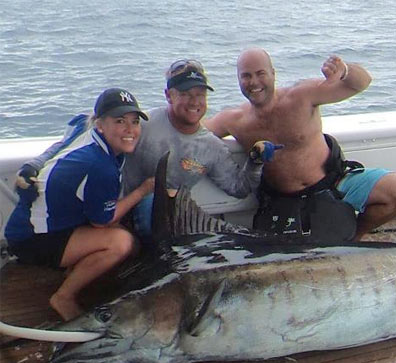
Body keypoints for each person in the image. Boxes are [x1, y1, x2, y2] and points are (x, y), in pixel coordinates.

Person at [17, 59, 265, 239]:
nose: (194, 102)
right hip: (115, 212)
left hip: (169, 222)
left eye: (200, 94)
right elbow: (81, 128)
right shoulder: (140, 122)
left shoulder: (211, 146)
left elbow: (240, 188)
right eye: (186, 94)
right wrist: (35, 165)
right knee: (148, 203)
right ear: (169, 95)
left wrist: (255, 161)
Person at [204, 48, 396, 240]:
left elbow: (361, 83)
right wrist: (184, 99)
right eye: (246, 76)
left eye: (260, 73)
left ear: (273, 74)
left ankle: (354, 239)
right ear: (238, 79)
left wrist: (345, 70)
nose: (254, 82)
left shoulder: (301, 96)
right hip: (283, 200)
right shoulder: (234, 120)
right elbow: (194, 132)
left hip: (334, 183)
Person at [4, 88, 154, 320]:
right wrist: (143, 190)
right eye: (120, 121)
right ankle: (64, 296)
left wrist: (33, 164)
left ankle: (75, 270)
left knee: (127, 237)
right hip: (31, 238)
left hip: (38, 222)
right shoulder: (100, 166)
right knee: (121, 242)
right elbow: (103, 221)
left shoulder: (83, 127)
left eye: (135, 122)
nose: (130, 130)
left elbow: (59, 144)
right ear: (100, 124)